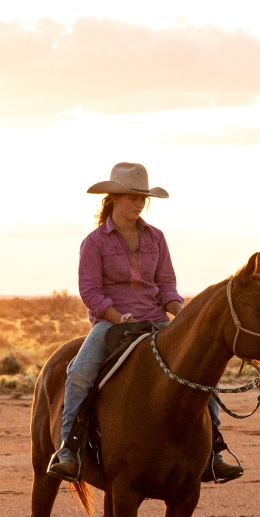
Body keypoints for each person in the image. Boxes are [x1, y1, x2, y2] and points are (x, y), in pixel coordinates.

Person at [46, 162, 241, 483]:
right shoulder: (94, 243)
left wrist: (184, 315)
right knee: (79, 372)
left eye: (142, 198)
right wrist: (117, 316)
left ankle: (213, 452)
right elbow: (90, 292)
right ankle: (69, 449)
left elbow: (166, 287)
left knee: (201, 373)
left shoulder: (156, 239)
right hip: (111, 326)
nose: (138, 203)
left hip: (155, 322)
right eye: (131, 197)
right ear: (113, 199)